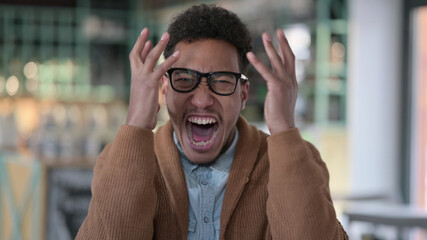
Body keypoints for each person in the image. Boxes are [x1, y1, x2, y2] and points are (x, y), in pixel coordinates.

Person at [76, 4, 348, 240]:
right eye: (184, 79)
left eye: (221, 80)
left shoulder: (294, 161)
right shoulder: (120, 160)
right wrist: (136, 123)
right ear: (164, 89)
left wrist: (284, 129)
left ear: (243, 94)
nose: (203, 99)